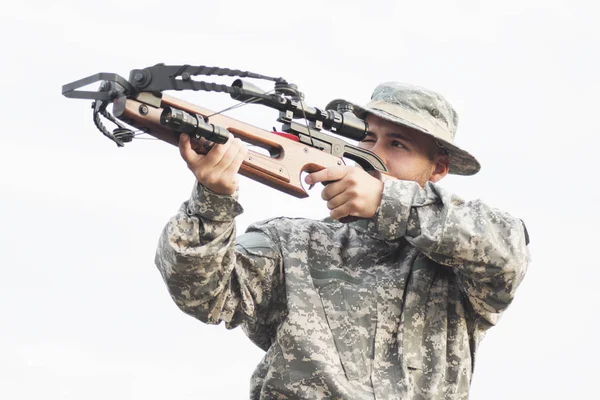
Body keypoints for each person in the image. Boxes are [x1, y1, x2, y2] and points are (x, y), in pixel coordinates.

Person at [154, 82, 530, 399]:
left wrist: (388, 200)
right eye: (368, 138)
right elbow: (202, 294)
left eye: (397, 144)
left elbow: (507, 250)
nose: (375, 154)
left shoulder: (457, 262)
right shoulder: (292, 242)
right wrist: (212, 199)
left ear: (439, 168)